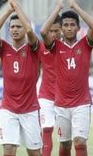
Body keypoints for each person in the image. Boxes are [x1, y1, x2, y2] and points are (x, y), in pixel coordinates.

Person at [40, 0, 93, 156]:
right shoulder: (56, 46)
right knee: (64, 145)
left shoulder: (85, 44)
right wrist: (58, 8)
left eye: (73, 24)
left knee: (79, 141)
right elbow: (44, 32)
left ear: (79, 27)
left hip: (81, 103)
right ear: (61, 28)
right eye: (65, 25)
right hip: (61, 105)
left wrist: (74, 6)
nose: (69, 28)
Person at [0, 0, 42, 156]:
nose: (15, 29)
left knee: (34, 153)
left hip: (30, 108)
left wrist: (17, 5)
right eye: (12, 27)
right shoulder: (4, 49)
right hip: (8, 109)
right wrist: (8, 11)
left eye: (19, 26)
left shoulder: (33, 48)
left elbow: (31, 32)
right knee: (9, 150)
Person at [38, 14, 61, 156]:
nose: (53, 34)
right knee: (46, 129)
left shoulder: (68, 46)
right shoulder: (41, 47)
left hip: (65, 98)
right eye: (50, 31)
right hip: (46, 95)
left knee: (65, 138)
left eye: (56, 30)